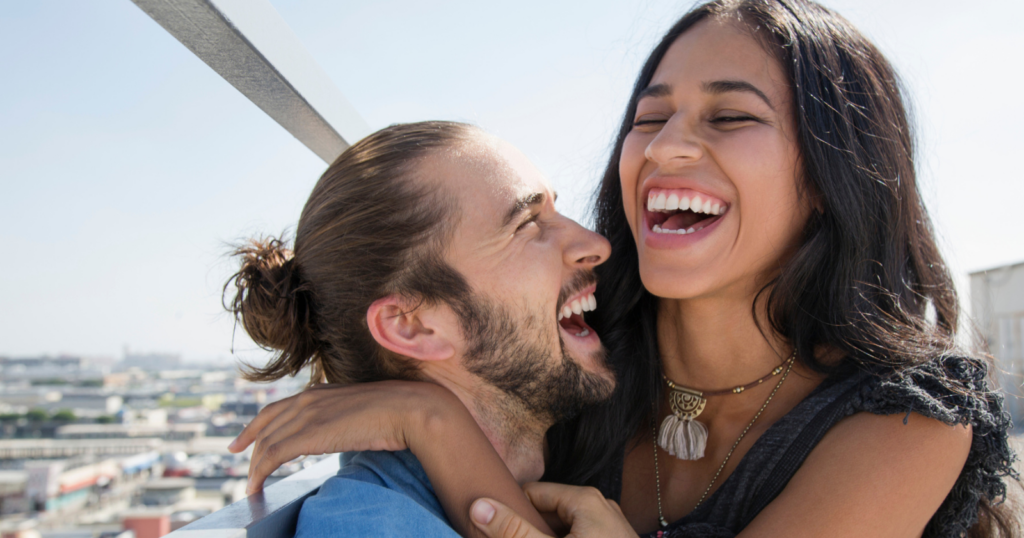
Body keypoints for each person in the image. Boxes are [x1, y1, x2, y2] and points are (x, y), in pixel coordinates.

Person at [233, 1, 1019, 536]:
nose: (664, 146)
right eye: (649, 117)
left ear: (829, 178)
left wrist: (425, 420)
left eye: (731, 115)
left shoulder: (907, 420)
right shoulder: (566, 356)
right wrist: (426, 412)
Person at [222, 121, 618, 536]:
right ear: (411, 326)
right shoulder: (368, 528)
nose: (596, 243)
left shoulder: (578, 469)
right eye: (527, 224)